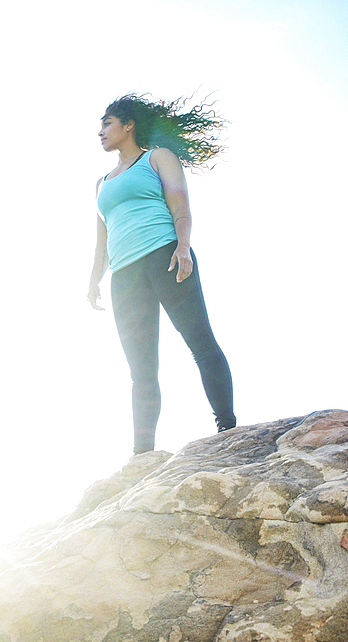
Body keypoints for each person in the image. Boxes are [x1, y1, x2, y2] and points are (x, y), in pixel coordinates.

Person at [87, 93, 236, 455]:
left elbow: (180, 206)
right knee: (141, 371)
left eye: (107, 123)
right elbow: (101, 238)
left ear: (129, 124)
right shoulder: (101, 183)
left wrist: (183, 246)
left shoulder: (157, 158)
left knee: (200, 344)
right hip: (124, 275)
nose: (100, 132)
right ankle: (142, 457)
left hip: (165, 256)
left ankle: (228, 430)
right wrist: (93, 279)